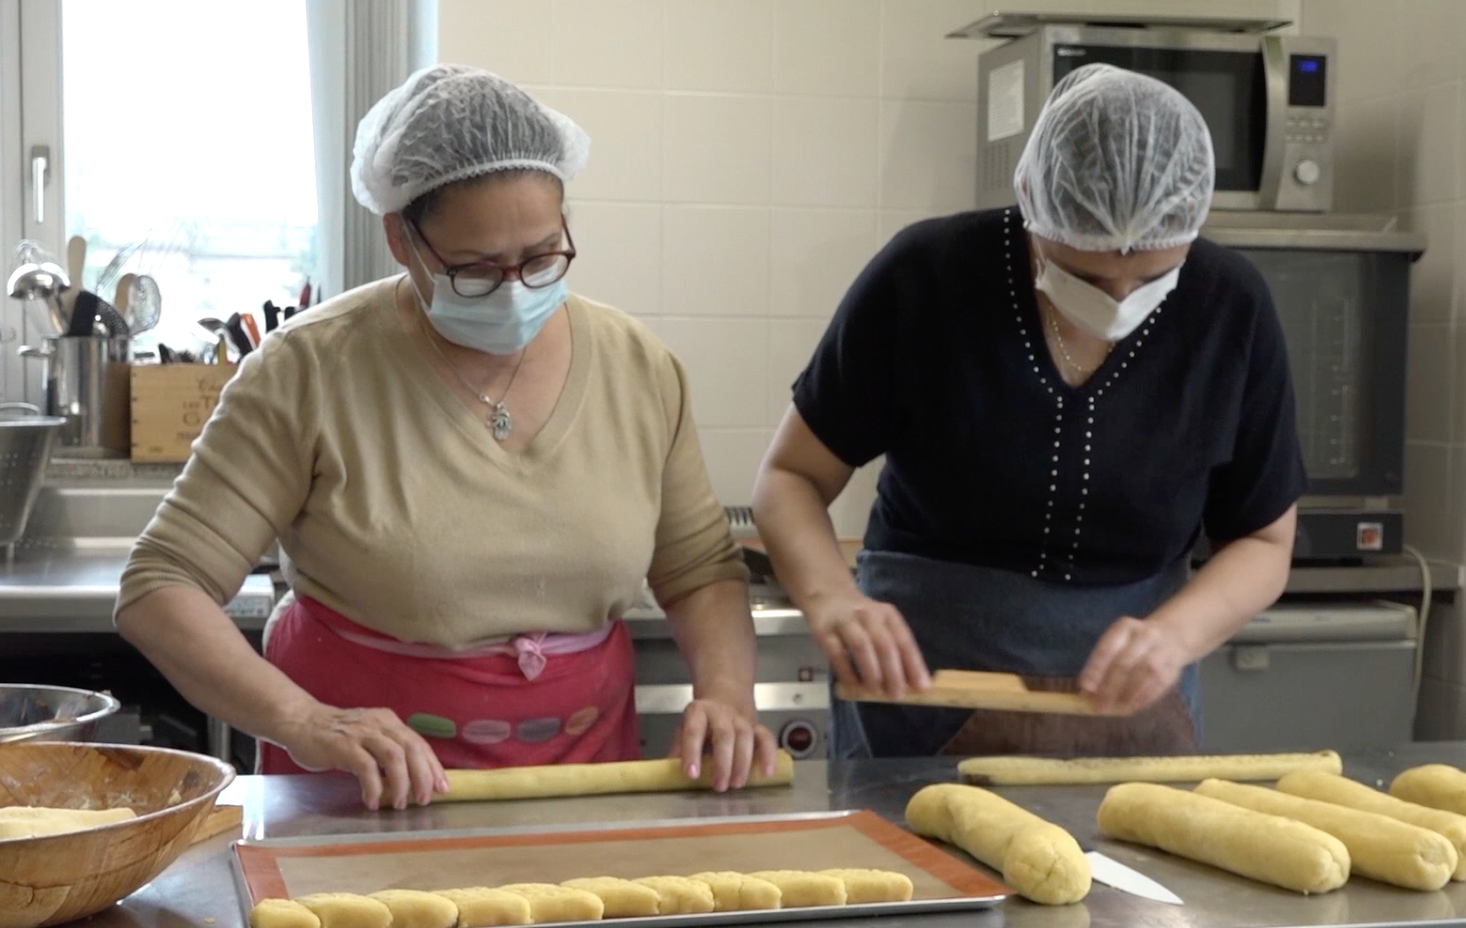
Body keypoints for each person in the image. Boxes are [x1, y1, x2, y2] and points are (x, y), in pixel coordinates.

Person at [116, 64, 776, 809]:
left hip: (585, 783)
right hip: (359, 793)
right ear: (401, 239)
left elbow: (699, 570)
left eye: (541, 256)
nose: (516, 288)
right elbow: (159, 587)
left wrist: (726, 693)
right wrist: (302, 719)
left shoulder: (638, 368)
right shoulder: (310, 369)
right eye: (473, 271)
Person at [751, 64, 1306, 758]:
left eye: (1153, 277)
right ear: (1031, 205)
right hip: (922, 691)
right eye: (1086, 276)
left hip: (1132, 715)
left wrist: (1175, 636)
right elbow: (791, 479)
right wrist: (833, 598)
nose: (1120, 297)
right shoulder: (928, 275)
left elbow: (1262, 543)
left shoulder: (1231, 307)